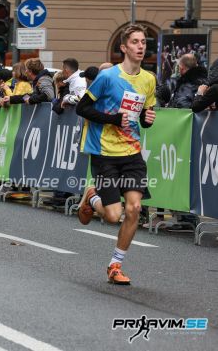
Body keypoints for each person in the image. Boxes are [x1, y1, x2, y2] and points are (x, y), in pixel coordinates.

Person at [75, 24, 157, 286]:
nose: (140, 46)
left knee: (133, 209)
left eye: (143, 42)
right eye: (135, 42)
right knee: (112, 216)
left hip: (132, 153)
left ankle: (115, 265)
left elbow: (142, 119)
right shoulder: (108, 77)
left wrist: (148, 119)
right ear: (124, 47)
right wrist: (112, 119)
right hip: (104, 153)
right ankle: (92, 196)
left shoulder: (148, 79)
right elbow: (83, 108)